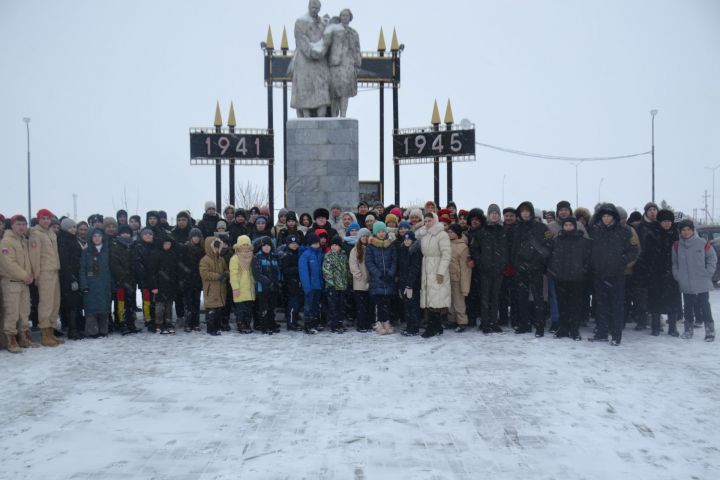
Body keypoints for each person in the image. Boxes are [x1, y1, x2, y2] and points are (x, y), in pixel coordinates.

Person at [588, 203, 639, 345]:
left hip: (616, 275)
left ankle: (616, 335)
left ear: (614, 217)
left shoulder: (625, 231)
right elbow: (589, 249)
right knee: (600, 305)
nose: (606, 219)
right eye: (603, 216)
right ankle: (602, 332)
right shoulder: (595, 231)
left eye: (609, 216)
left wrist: (622, 260)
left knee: (616, 306)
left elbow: (634, 250)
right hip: (599, 274)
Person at [512, 202, 552, 337]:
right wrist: (517, 264)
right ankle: (525, 325)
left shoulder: (542, 227)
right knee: (522, 298)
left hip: (536, 269)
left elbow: (549, 246)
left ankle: (539, 326)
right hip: (521, 269)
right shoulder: (516, 228)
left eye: (527, 211)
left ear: (532, 212)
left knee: (538, 298)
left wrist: (538, 263)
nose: (525, 213)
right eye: (522, 211)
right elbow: (513, 249)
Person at [672, 219, 716, 341]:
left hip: (702, 280)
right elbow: (674, 263)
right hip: (685, 281)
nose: (686, 232)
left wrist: (709, 272)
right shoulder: (676, 245)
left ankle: (710, 331)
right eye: (683, 230)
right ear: (680, 232)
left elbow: (712, 258)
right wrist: (677, 275)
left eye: (688, 229)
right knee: (688, 306)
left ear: (692, 230)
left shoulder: (702, 243)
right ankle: (688, 330)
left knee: (704, 305)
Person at [547, 217, 591, 340]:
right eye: (565, 225)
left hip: (577, 279)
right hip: (560, 278)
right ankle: (563, 328)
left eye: (570, 225)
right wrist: (553, 271)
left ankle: (574, 329)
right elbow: (550, 258)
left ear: (575, 226)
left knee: (575, 305)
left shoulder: (583, 241)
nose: (568, 227)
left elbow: (587, 260)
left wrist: (582, 272)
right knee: (562, 304)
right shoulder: (556, 240)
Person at [0, 215, 39, 352]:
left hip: (24, 282)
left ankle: (24, 337)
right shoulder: (6, 241)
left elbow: (27, 260)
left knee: (24, 312)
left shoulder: (23, 240)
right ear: (12, 225)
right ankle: (11, 340)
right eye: (19, 224)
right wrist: (25, 275)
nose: (22, 227)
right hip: (11, 282)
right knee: (12, 312)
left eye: (24, 224)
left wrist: (31, 274)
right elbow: (8, 263)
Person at [29, 208, 64, 346]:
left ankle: (51, 332)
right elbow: (34, 256)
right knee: (46, 304)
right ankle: (44, 334)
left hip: (54, 271)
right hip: (44, 273)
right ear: (38, 219)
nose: (45, 221)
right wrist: (36, 275)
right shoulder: (36, 234)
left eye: (48, 218)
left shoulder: (51, 234)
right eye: (43, 218)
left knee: (55, 303)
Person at [645, 209, 682, 336]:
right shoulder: (652, 234)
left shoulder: (676, 234)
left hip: (672, 273)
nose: (667, 224)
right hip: (656, 273)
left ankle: (672, 327)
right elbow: (646, 254)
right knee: (655, 301)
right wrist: (649, 270)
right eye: (664, 221)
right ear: (660, 222)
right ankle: (655, 327)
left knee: (673, 301)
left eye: (669, 221)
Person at [291, 0, 331, 117]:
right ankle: (306, 116)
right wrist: (312, 52)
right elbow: (301, 39)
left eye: (317, 8)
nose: (315, 10)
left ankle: (321, 116)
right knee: (305, 89)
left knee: (321, 89)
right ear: (309, 7)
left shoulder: (323, 24)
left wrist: (322, 51)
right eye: (313, 7)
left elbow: (327, 39)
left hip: (320, 62)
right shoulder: (300, 22)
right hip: (305, 61)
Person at [417, 213, 452, 338]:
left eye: (429, 221)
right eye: (425, 221)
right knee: (430, 299)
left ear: (435, 220)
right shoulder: (425, 234)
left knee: (435, 299)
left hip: (436, 268)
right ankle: (437, 326)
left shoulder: (441, 235)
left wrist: (441, 271)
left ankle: (432, 327)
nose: (427, 223)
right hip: (427, 267)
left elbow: (446, 254)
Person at [477, 204, 507, 334]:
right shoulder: (482, 231)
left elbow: (507, 250)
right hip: (485, 270)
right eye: (492, 213)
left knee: (495, 297)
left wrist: (502, 265)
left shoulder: (503, 231)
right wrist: (481, 263)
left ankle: (494, 322)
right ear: (488, 215)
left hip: (498, 270)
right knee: (485, 297)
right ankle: (485, 323)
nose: (494, 215)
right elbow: (475, 250)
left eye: (496, 213)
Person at [79, 228, 112, 338]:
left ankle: (103, 330)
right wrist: (84, 284)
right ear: (91, 238)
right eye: (94, 236)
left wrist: (112, 283)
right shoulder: (86, 252)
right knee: (91, 308)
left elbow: (112, 268)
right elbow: (82, 269)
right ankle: (92, 331)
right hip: (91, 284)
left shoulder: (108, 251)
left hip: (105, 283)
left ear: (103, 237)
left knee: (104, 307)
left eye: (99, 236)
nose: (97, 238)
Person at [366, 222, 396, 335]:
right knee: (378, 303)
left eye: (383, 231)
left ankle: (386, 322)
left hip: (388, 279)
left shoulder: (391, 245)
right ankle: (378, 323)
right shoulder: (371, 246)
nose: (381, 234)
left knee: (387, 303)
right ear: (375, 233)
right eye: (379, 232)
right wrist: (378, 274)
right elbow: (369, 262)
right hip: (377, 280)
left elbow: (394, 261)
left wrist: (390, 273)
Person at [110, 225, 140, 335]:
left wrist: (134, 273)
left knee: (131, 303)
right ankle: (121, 324)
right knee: (121, 303)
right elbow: (114, 264)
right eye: (123, 233)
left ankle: (131, 323)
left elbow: (136, 261)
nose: (126, 235)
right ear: (120, 234)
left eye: (128, 233)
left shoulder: (133, 245)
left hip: (131, 281)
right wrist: (123, 275)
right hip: (120, 281)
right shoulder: (115, 246)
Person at [57, 218, 84, 339]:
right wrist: (71, 279)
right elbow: (64, 262)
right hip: (68, 278)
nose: (73, 229)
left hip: (76, 275)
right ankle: (72, 330)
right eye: (70, 227)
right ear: (64, 228)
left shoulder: (73, 239)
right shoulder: (63, 240)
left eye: (74, 227)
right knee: (72, 305)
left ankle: (77, 328)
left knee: (77, 304)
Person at [199, 237, 229, 336]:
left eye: (218, 248)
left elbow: (226, 269)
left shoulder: (221, 259)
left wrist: (226, 274)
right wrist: (219, 276)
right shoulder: (205, 260)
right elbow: (205, 274)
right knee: (211, 310)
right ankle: (211, 328)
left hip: (220, 288)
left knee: (218, 310)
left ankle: (218, 326)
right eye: (214, 248)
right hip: (210, 289)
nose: (216, 250)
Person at [253, 237, 282, 334]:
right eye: (264, 245)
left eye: (268, 245)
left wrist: (278, 281)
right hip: (263, 288)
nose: (266, 247)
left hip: (274, 287)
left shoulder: (274, 257)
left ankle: (271, 324)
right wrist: (267, 282)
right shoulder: (257, 257)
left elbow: (278, 271)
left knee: (272, 307)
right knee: (263, 308)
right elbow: (257, 274)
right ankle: (264, 326)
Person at [179, 228, 205, 332]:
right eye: (194, 236)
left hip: (197, 279)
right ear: (191, 237)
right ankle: (188, 323)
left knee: (196, 302)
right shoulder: (185, 248)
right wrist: (185, 272)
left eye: (198, 236)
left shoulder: (202, 249)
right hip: (187, 279)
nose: (196, 238)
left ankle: (196, 323)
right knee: (188, 303)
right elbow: (179, 263)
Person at [447, 224, 471, 332]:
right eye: (449, 232)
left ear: (457, 233)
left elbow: (465, 268)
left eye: (452, 232)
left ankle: (462, 321)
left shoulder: (463, 247)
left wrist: (464, 284)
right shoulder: (447, 244)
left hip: (458, 278)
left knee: (459, 301)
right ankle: (452, 320)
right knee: (450, 301)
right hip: (448, 277)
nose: (449, 234)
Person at [133, 228, 159, 329]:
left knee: (155, 300)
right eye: (145, 234)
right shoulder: (138, 247)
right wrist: (144, 274)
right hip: (144, 279)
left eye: (150, 234)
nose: (148, 236)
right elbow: (137, 263)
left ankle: (155, 318)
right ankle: (148, 320)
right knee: (146, 300)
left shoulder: (155, 247)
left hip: (155, 279)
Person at [397, 231, 422, 336]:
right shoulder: (402, 249)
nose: (407, 241)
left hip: (412, 284)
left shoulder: (415, 251)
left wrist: (409, 284)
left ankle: (414, 328)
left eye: (409, 239)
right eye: (405, 239)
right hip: (403, 283)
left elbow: (414, 269)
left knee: (413, 306)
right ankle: (409, 326)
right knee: (407, 305)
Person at [230, 235, 256, 334]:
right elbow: (233, 275)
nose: (245, 246)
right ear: (238, 245)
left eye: (247, 244)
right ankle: (241, 325)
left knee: (249, 310)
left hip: (250, 288)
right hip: (240, 289)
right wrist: (235, 288)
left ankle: (247, 324)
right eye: (243, 244)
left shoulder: (252, 256)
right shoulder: (235, 258)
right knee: (241, 310)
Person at [299, 232, 324, 334]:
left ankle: (315, 323)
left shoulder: (320, 254)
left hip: (318, 285)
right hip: (310, 286)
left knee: (316, 306)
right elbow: (303, 272)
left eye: (317, 243)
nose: (316, 245)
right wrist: (307, 287)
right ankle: (308, 325)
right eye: (314, 243)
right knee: (309, 306)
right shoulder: (306, 255)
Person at [323, 236, 348, 333]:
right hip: (332, 286)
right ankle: (334, 325)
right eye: (332, 245)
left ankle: (340, 323)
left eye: (336, 245)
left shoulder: (343, 256)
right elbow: (326, 271)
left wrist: (346, 281)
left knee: (341, 306)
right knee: (333, 306)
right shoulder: (328, 256)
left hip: (342, 285)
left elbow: (346, 269)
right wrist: (331, 283)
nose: (334, 247)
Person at [349, 228, 371, 332]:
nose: (365, 238)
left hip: (370, 282)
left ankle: (367, 324)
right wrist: (360, 278)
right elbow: (353, 266)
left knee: (368, 305)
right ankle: (361, 325)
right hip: (359, 283)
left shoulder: (370, 248)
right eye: (363, 236)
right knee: (361, 306)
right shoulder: (355, 250)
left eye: (367, 236)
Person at [154, 238, 178, 334]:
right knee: (160, 306)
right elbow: (153, 272)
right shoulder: (157, 254)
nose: (167, 245)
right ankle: (159, 323)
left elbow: (175, 269)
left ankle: (168, 322)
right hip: (160, 284)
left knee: (169, 305)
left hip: (170, 284)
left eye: (169, 243)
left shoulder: (172, 254)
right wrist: (154, 286)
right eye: (165, 243)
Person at [279, 234, 303, 331]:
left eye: (295, 243)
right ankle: (291, 323)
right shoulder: (286, 255)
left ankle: (294, 321)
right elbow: (285, 270)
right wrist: (299, 269)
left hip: (298, 282)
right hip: (290, 283)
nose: (294, 245)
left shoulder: (299, 253)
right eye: (291, 243)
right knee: (293, 304)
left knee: (297, 303)